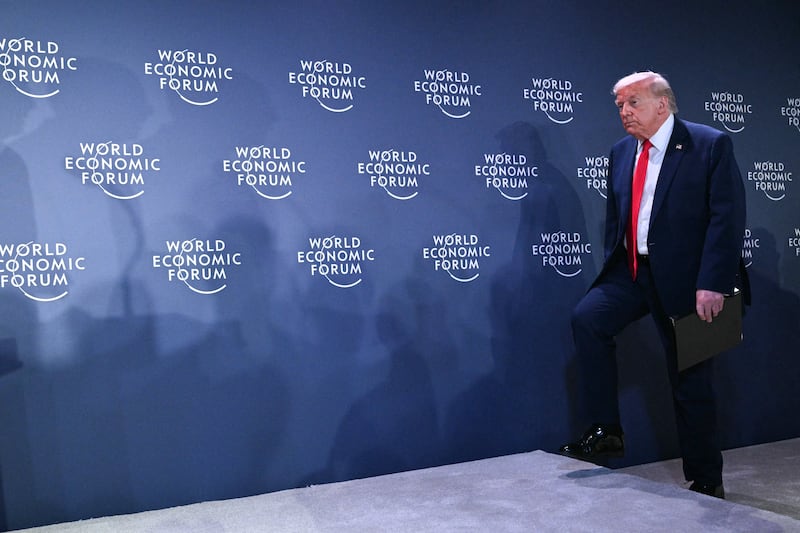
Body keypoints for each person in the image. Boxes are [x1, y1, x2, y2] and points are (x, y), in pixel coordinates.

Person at [559, 71, 748, 499]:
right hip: (633, 272)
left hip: (691, 280)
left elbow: (727, 217)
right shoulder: (621, 151)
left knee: (691, 379)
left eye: (633, 103)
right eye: (620, 106)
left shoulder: (709, 144)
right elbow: (619, 218)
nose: (624, 112)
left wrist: (713, 282)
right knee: (588, 318)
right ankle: (607, 430)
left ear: (661, 104)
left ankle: (706, 479)